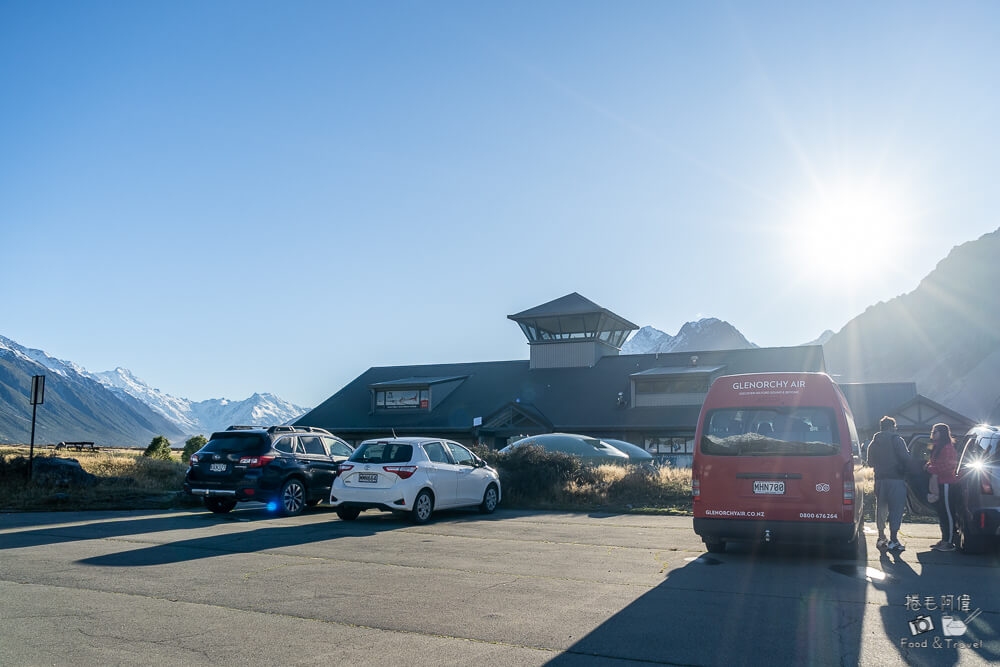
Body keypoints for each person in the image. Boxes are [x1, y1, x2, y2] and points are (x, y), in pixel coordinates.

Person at [865, 416, 911, 552]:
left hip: (879, 480)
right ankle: (894, 540)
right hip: (896, 480)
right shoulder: (897, 440)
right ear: (892, 427)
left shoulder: (874, 442)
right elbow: (906, 458)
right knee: (896, 510)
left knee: (881, 508)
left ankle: (881, 537)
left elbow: (870, 463)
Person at [926, 423, 959, 552]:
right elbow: (935, 463)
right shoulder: (937, 447)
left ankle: (950, 542)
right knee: (941, 513)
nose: (933, 434)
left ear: (943, 433)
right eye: (933, 431)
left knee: (948, 513)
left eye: (936, 431)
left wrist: (930, 469)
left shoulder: (947, 448)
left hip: (947, 483)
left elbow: (948, 467)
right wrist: (928, 466)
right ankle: (944, 539)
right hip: (939, 483)